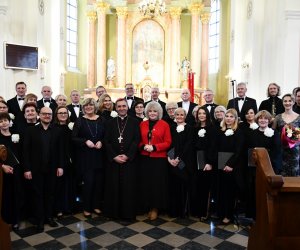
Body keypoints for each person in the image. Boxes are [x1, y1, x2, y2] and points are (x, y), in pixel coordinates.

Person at [23, 107, 64, 232]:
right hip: (36, 170)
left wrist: (61, 166)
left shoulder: (57, 131)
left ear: (52, 116)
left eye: (49, 114)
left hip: (52, 169)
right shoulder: (31, 131)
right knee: (38, 195)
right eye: (44, 114)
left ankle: (49, 217)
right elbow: (25, 152)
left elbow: (61, 151)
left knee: (50, 194)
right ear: (39, 115)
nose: (47, 116)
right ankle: (40, 220)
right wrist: (27, 169)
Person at [104, 98, 140, 220]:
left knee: (128, 188)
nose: (121, 108)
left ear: (127, 107)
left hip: (129, 161)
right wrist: (114, 156)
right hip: (114, 161)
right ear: (116, 108)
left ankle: (128, 214)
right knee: (113, 187)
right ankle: (114, 213)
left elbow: (136, 141)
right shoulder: (110, 122)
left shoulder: (135, 122)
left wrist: (128, 155)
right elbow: (106, 141)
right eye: (119, 106)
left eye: (124, 106)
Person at [72, 98, 105, 218]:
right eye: (86, 105)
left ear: (95, 106)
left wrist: (102, 142)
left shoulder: (102, 120)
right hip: (85, 157)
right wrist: (85, 141)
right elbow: (74, 138)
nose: (88, 107)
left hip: (100, 156)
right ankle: (86, 207)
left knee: (99, 183)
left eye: (91, 105)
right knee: (88, 183)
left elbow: (107, 136)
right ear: (83, 107)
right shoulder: (80, 121)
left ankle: (96, 205)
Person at [139, 101, 172, 220]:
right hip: (144, 157)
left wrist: (155, 147)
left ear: (159, 112)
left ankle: (155, 208)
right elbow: (138, 140)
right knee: (145, 182)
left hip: (159, 159)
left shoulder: (164, 124)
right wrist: (143, 146)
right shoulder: (142, 124)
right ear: (147, 112)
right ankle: (146, 205)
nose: (152, 113)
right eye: (150, 111)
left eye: (155, 111)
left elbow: (168, 142)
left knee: (157, 184)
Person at [246, 110, 280, 218]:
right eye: (260, 118)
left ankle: (267, 216)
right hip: (254, 169)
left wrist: (270, 166)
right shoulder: (252, 134)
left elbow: (277, 152)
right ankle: (255, 217)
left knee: (267, 193)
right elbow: (249, 151)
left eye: (265, 118)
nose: (263, 120)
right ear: (257, 119)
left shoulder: (274, 134)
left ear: (269, 120)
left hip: (268, 169)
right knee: (254, 192)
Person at [216, 109, 244, 224]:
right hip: (220, 165)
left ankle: (228, 215)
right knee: (221, 191)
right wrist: (220, 164)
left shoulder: (238, 132)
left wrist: (230, 165)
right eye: (226, 116)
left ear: (235, 118)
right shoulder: (220, 131)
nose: (228, 118)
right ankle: (221, 213)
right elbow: (217, 148)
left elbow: (239, 151)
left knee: (230, 192)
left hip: (232, 167)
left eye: (231, 116)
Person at [168, 108, 194, 218]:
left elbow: (188, 145)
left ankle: (183, 211)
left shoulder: (189, 128)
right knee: (173, 186)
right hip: (172, 160)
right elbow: (169, 144)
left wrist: (178, 159)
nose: (179, 116)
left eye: (181, 114)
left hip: (184, 162)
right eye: (177, 114)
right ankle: (174, 211)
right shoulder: (171, 127)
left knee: (183, 186)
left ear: (185, 116)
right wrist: (170, 158)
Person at [190, 107, 216, 220]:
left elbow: (213, 147)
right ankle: (196, 210)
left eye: (203, 113)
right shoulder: (194, 128)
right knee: (196, 185)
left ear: (207, 115)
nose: (201, 115)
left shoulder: (212, 128)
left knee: (205, 187)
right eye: (199, 113)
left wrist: (209, 162)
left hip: (206, 159)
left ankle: (204, 212)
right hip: (195, 159)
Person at [0, 112, 22, 230]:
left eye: (5, 120)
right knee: (5, 195)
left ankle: (15, 219)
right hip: (3, 171)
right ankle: (6, 219)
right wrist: (2, 166)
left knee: (16, 194)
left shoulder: (16, 135)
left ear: (9, 122)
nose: (4, 123)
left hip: (16, 170)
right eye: (1, 121)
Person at [53, 106, 75, 217]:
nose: (63, 115)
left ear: (68, 114)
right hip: (57, 161)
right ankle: (58, 208)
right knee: (58, 185)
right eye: (60, 113)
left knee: (68, 184)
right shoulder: (53, 128)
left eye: (65, 113)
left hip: (70, 160)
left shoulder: (71, 128)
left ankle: (68, 207)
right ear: (56, 115)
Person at [273, 94, 300, 176]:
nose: (287, 103)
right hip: (281, 150)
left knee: (295, 172)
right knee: (281, 172)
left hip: (295, 150)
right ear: (282, 102)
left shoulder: (299, 117)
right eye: (285, 101)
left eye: (290, 101)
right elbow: (273, 132)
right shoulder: (278, 117)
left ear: (293, 102)